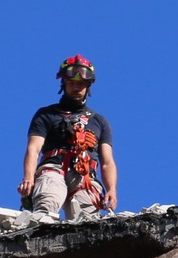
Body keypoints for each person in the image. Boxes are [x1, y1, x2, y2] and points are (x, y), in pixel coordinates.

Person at [19, 55, 118, 220]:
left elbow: (107, 161)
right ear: (63, 84)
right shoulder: (46, 114)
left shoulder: (99, 121)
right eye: (71, 83)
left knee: (89, 223)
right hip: (53, 169)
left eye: (80, 84)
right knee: (45, 208)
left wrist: (112, 189)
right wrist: (28, 178)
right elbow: (33, 149)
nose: (75, 87)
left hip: (85, 177)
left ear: (88, 85)